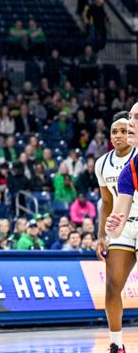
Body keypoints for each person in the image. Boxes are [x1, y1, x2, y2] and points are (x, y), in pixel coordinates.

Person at [98, 110, 137, 353]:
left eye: (124, 129)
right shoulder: (103, 163)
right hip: (121, 225)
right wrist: (101, 235)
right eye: (115, 131)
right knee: (112, 286)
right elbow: (107, 202)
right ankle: (116, 344)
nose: (120, 135)